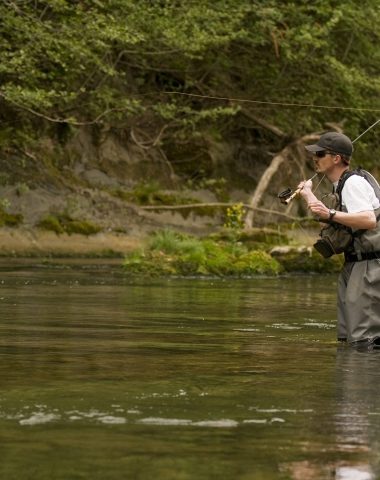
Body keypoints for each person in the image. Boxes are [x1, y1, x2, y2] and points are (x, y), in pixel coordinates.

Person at [298, 131, 380, 348]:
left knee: (365, 340)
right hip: (354, 264)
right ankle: (350, 379)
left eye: (320, 153)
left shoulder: (353, 183)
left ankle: (365, 380)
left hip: (370, 265)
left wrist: (330, 214)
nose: (314, 157)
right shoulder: (340, 185)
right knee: (348, 337)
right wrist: (308, 194)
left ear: (336, 158)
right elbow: (330, 217)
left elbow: (368, 219)